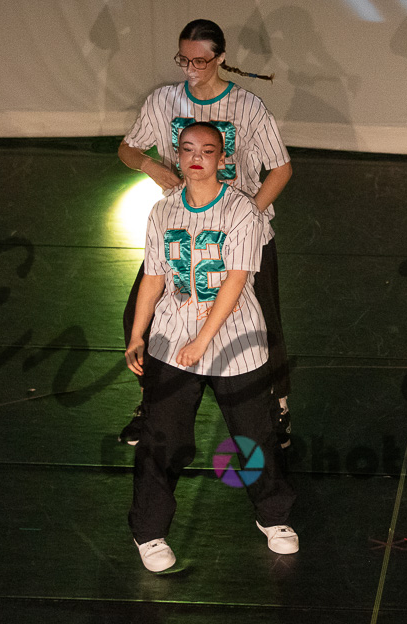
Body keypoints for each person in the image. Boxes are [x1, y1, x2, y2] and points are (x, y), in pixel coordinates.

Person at [125, 122, 297, 572]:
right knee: (162, 438)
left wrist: (202, 340)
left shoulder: (243, 212)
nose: (196, 157)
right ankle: (149, 531)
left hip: (236, 342)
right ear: (177, 157)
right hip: (172, 341)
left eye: (206, 150)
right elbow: (153, 277)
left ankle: (273, 516)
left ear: (223, 159)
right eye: (187, 149)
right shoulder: (163, 211)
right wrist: (137, 334)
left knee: (254, 434)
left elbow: (236, 281)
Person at [118, 18, 294, 448]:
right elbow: (127, 148)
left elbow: (281, 168)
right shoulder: (163, 101)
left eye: (200, 60)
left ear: (221, 58)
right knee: (140, 312)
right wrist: (152, 166)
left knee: (263, 322)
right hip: (180, 233)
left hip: (241, 237)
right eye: (184, 60)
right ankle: (151, 401)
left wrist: (245, 218)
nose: (191, 68)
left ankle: (277, 405)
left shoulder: (247, 107)